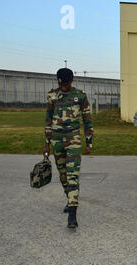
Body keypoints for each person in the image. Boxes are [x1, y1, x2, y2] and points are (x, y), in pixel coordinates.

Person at [44, 68, 93, 229]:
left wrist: (89, 142)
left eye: (66, 84)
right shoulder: (52, 96)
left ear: (71, 81)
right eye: (61, 84)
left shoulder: (80, 96)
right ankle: (69, 198)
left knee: (72, 174)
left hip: (73, 139)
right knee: (63, 175)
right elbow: (48, 120)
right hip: (57, 141)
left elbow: (87, 120)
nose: (64, 87)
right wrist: (47, 144)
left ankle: (73, 212)